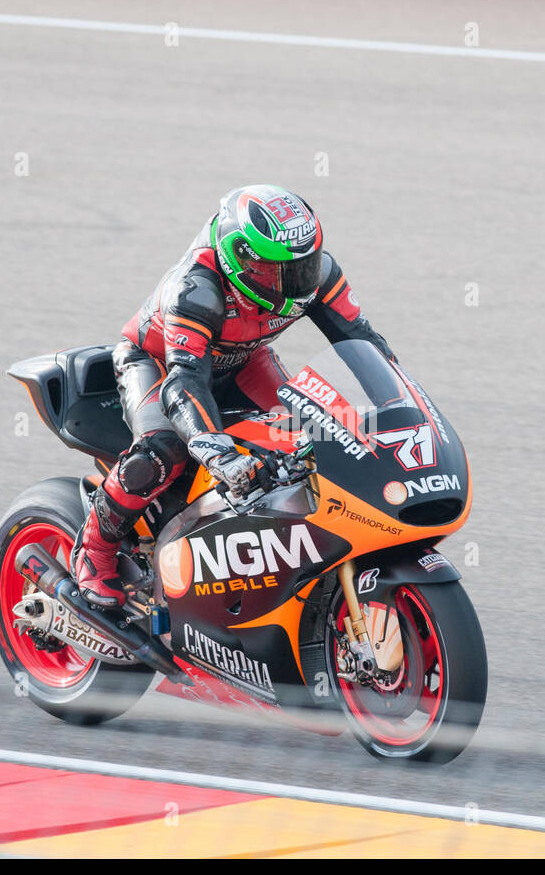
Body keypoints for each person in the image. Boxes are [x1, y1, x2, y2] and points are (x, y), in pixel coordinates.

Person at [73, 184, 396, 607]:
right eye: (281, 270)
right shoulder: (195, 290)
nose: (299, 281)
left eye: (306, 264)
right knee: (163, 449)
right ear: (241, 258)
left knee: (314, 431)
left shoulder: (315, 276)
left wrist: (393, 410)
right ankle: (94, 551)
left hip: (243, 361)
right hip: (158, 364)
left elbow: (364, 343)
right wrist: (220, 454)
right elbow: (185, 383)